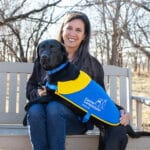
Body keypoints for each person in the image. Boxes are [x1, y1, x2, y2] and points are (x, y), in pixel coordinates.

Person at [26, 11, 130, 150]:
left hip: (75, 121)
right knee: (34, 110)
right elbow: (31, 87)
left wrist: (120, 111)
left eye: (78, 30)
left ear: (84, 35)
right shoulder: (44, 57)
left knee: (54, 108)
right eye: (69, 28)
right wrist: (38, 94)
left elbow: (99, 97)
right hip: (42, 117)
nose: (72, 33)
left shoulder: (92, 65)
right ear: (62, 29)